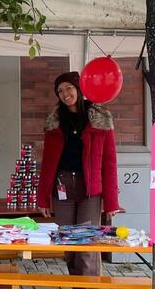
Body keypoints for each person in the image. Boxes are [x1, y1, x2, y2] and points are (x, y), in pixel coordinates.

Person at [37, 71, 121, 276]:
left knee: (87, 245)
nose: (65, 94)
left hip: (90, 191)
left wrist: (111, 202)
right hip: (62, 189)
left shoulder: (100, 119)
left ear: (79, 88)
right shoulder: (54, 122)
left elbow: (109, 162)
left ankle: (89, 283)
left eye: (69, 88)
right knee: (70, 245)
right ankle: (77, 283)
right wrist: (43, 199)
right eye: (60, 91)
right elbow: (47, 164)